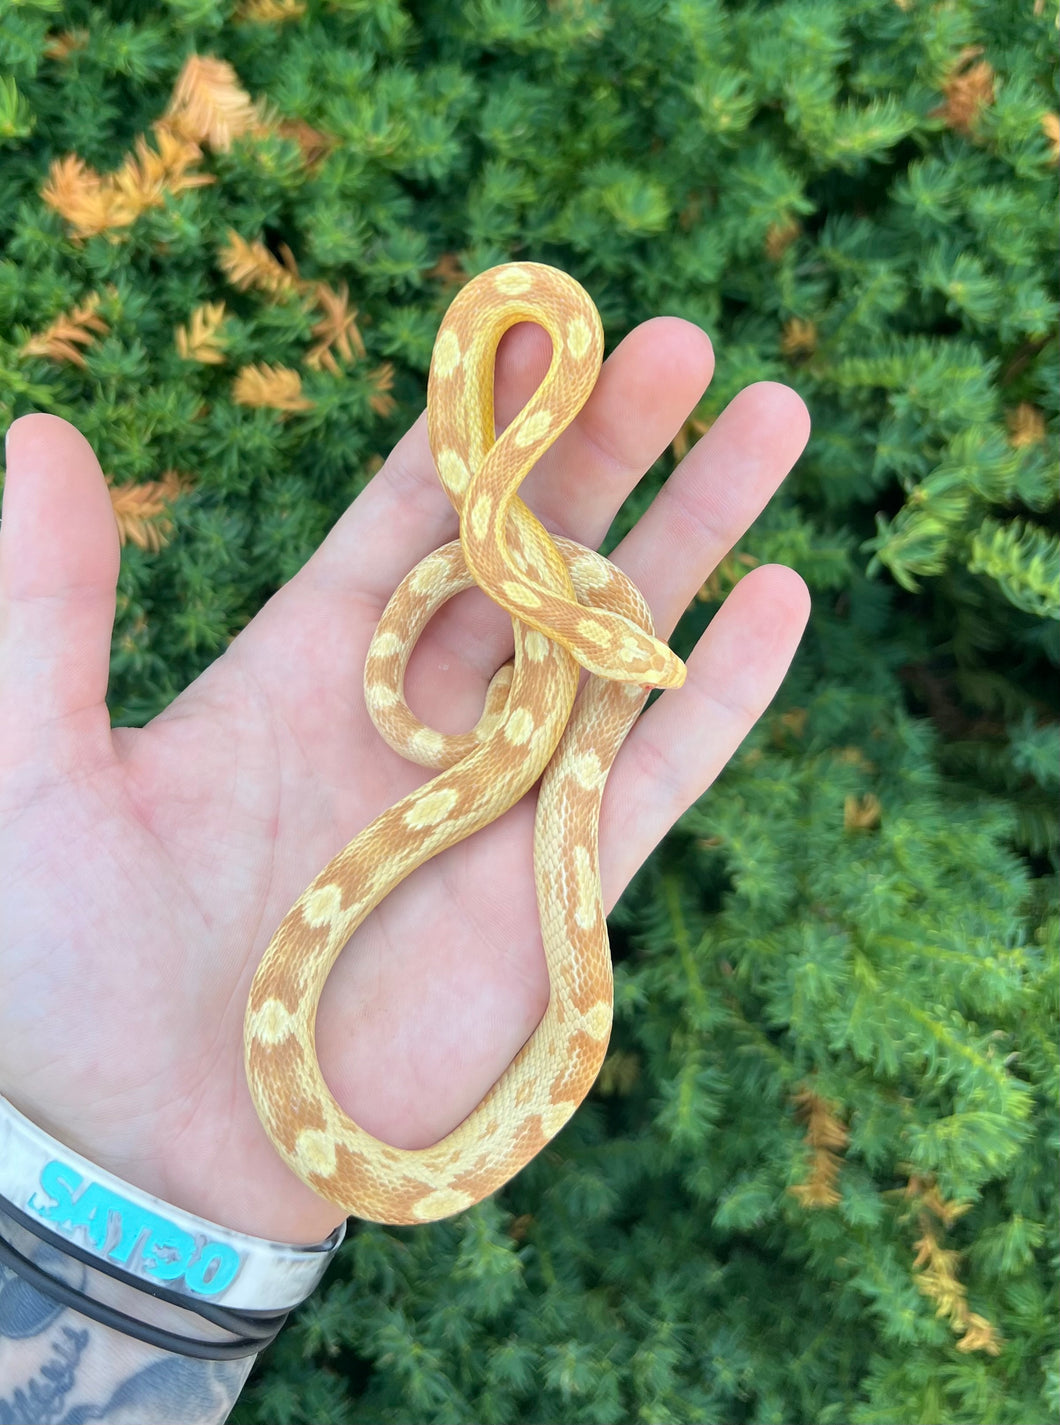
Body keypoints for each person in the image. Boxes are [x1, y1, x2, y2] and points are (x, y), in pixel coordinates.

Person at [0, 315, 810, 1423]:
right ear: (579, 630)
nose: (640, 669)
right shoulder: (528, 578)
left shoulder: (562, 608)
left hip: (531, 613)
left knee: (568, 832)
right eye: (627, 657)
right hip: (521, 611)